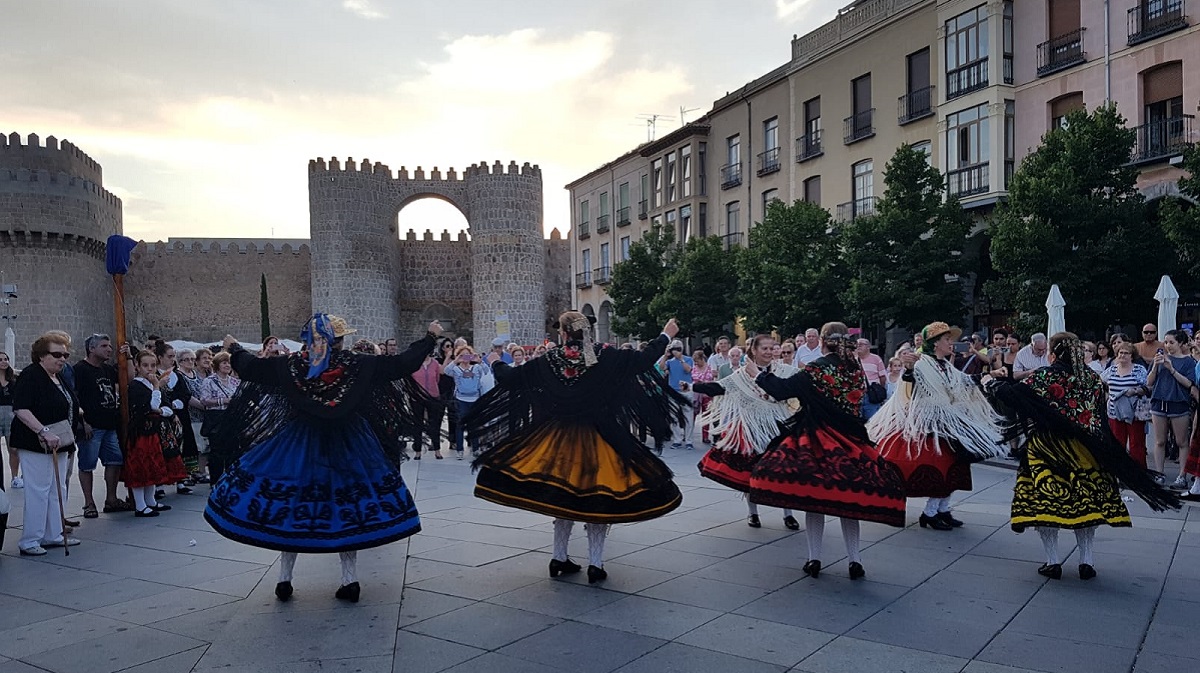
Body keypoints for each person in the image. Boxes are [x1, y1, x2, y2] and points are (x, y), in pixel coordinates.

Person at [205, 315, 438, 603]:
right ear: (338, 341)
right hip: (350, 443)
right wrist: (429, 337)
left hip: (298, 444)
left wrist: (234, 347)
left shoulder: (291, 366)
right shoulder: (358, 364)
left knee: (291, 505)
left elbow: (252, 368)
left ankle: (284, 579)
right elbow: (403, 363)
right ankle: (349, 579)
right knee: (347, 506)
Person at [467, 313, 686, 584]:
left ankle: (559, 557)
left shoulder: (549, 359)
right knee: (599, 498)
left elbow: (512, 378)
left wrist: (496, 361)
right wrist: (666, 335)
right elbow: (643, 360)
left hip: (557, 438)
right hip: (601, 436)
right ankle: (595, 563)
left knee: (563, 496)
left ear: (562, 333)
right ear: (587, 332)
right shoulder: (606, 355)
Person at [987, 332, 1179, 580]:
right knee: (1087, 502)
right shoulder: (1092, 378)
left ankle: (1053, 561)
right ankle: (1086, 560)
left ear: (1054, 353)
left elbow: (1014, 396)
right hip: (1087, 449)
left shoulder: (1045, 376)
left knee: (1046, 502)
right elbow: (1098, 417)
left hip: (1048, 448)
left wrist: (990, 382)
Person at [746, 322, 907, 579]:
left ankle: (814, 558)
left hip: (819, 441)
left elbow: (782, 390)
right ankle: (855, 560)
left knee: (815, 500)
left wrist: (757, 374)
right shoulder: (855, 369)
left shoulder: (817, 368)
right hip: (853, 441)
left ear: (822, 342)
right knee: (849, 502)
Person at [868, 322, 1006, 530]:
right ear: (935, 343)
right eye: (947, 339)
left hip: (947, 422)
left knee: (955, 467)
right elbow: (909, 382)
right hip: (929, 425)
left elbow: (963, 381)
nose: (951, 343)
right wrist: (909, 369)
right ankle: (930, 513)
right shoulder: (922, 363)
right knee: (941, 467)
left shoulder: (945, 365)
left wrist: (991, 375)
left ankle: (942, 509)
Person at [695, 334, 800, 530]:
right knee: (750, 472)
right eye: (764, 348)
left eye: (771, 348)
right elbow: (720, 387)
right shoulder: (742, 375)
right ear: (754, 350)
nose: (768, 352)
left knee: (784, 471)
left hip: (780, 426)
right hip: (753, 429)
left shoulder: (785, 371)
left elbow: (802, 384)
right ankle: (753, 513)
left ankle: (788, 514)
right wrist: (692, 387)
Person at [12, 332, 82, 556]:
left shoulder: (57, 377)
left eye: (65, 355)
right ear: (41, 356)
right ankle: (30, 540)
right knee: (38, 490)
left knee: (57, 488)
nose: (62, 359)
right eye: (57, 354)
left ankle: (53, 534)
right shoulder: (31, 375)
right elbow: (21, 408)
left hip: (59, 442)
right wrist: (43, 431)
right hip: (36, 443)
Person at [73, 334, 127, 517]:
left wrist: (128, 357)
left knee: (114, 461)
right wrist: (83, 422)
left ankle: (111, 499)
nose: (109, 349)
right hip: (92, 426)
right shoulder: (80, 370)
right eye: (104, 346)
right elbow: (74, 398)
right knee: (87, 464)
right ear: (92, 348)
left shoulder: (107, 370)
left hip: (109, 425)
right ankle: (89, 503)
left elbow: (127, 379)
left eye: (109, 346)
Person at [123, 350, 180, 517]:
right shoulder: (136, 386)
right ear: (137, 366)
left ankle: (150, 500)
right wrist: (156, 387)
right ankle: (140, 505)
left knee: (152, 466)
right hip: (140, 433)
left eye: (153, 365)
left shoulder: (151, 385)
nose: (150, 369)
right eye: (145, 365)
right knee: (140, 467)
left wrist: (162, 410)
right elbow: (152, 406)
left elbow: (166, 407)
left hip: (153, 431)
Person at [1147, 329, 1197, 487]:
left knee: (1181, 441)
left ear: (1180, 343)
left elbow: (1189, 383)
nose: (1168, 345)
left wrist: (1171, 369)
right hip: (1159, 402)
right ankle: (1159, 473)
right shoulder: (1159, 358)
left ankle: (1182, 475)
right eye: (1166, 342)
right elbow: (1149, 382)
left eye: (1171, 342)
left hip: (1178, 402)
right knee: (1160, 441)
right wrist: (1155, 366)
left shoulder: (1188, 362)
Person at [1102, 343, 1149, 468]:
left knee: (1136, 444)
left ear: (1132, 356)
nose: (1123, 355)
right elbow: (1101, 383)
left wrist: (1135, 391)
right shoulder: (1111, 370)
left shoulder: (1139, 369)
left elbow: (1147, 387)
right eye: (1120, 353)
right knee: (1117, 444)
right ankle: (1120, 472)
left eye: (1126, 353)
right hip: (1114, 412)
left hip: (1134, 413)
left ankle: (1139, 472)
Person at [199, 351, 241, 484]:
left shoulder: (235, 382)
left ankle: (230, 481)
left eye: (229, 363)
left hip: (232, 419)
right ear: (217, 364)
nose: (227, 365)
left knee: (232, 450)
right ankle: (215, 481)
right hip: (216, 419)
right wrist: (223, 401)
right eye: (224, 362)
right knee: (217, 452)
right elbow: (204, 400)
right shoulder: (209, 381)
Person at [446, 345, 488, 459]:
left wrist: (479, 361)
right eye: (462, 355)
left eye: (467, 355)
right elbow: (446, 371)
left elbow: (486, 371)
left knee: (474, 425)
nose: (465, 357)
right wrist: (455, 361)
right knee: (460, 425)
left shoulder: (476, 368)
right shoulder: (456, 369)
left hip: (475, 399)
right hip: (461, 399)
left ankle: (476, 448)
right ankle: (460, 449)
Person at [658, 339, 694, 450]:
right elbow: (661, 367)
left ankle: (688, 441)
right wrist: (665, 355)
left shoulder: (688, 359)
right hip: (673, 391)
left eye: (678, 348)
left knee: (688, 416)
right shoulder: (670, 361)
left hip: (686, 391)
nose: (676, 351)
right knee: (674, 417)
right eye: (674, 348)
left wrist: (681, 359)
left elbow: (688, 370)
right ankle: (677, 440)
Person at [411, 347, 444, 460]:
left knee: (434, 424)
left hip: (433, 396)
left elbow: (437, 379)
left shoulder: (435, 363)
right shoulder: (414, 363)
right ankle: (418, 451)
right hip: (417, 397)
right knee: (417, 424)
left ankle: (437, 450)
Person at [0, 351, 20, 490]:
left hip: (11, 415)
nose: (4, 361)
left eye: (5, 359)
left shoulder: (14, 379)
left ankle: (15, 477)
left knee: (13, 448)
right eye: (0, 359)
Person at [856, 338, 886, 419]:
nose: (858, 346)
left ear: (868, 346)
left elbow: (882, 377)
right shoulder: (853, 359)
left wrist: (879, 390)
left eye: (861, 344)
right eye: (857, 344)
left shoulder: (876, 359)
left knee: (872, 420)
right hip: (857, 395)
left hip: (871, 395)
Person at [691, 350, 716, 444]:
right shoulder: (694, 368)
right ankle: (688, 434)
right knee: (693, 414)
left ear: (702, 359)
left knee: (706, 415)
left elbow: (712, 378)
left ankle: (705, 436)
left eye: (697, 361)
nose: (696, 363)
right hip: (696, 394)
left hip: (707, 394)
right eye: (695, 361)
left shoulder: (709, 367)